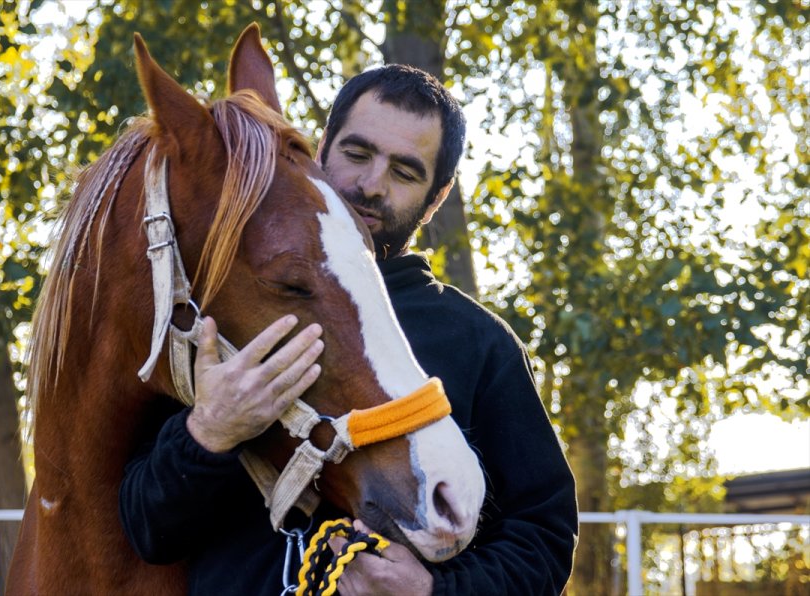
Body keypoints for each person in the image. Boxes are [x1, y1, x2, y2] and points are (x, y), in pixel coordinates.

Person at [119, 64, 578, 595]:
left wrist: (434, 594)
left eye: (405, 173)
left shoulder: (479, 342)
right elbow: (144, 531)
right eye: (357, 154)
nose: (369, 185)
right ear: (321, 149)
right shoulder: (223, 312)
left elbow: (543, 537)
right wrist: (208, 433)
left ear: (437, 197)